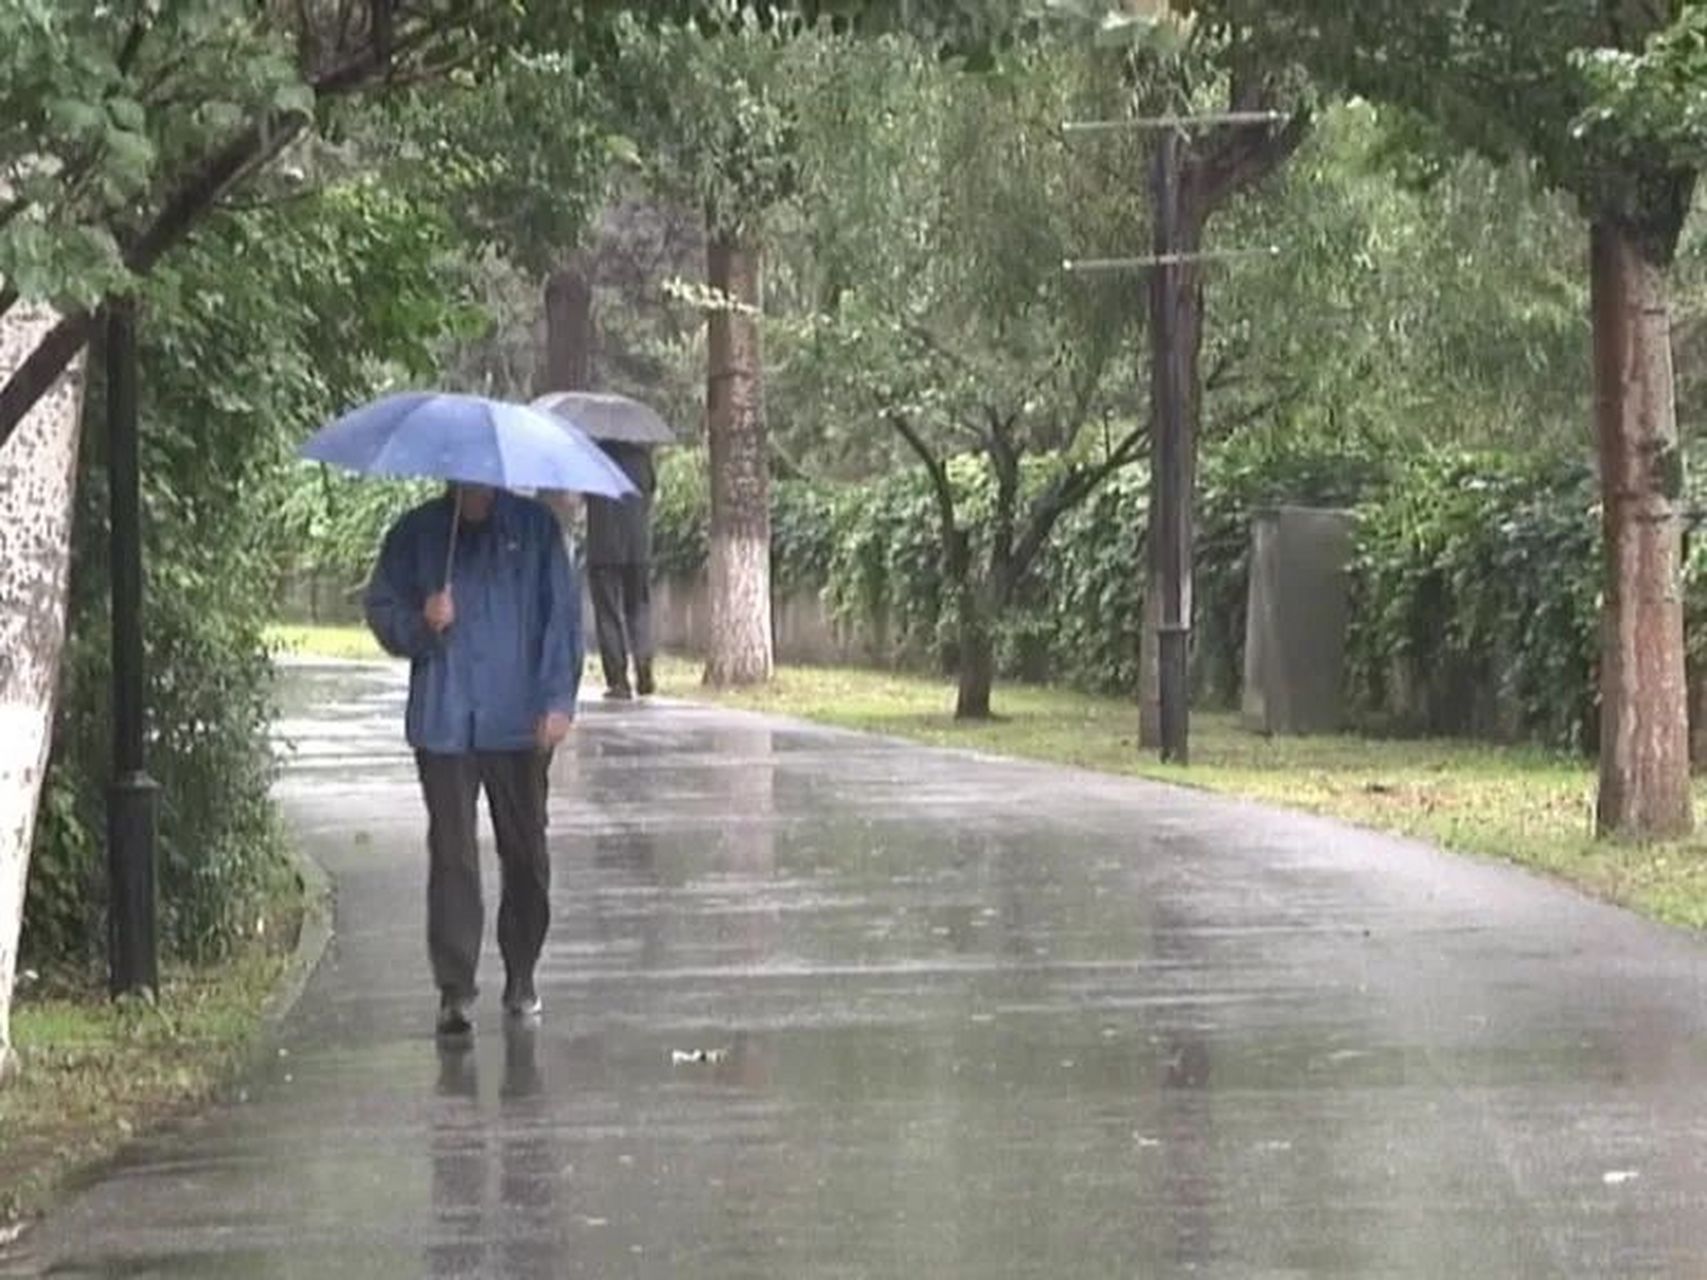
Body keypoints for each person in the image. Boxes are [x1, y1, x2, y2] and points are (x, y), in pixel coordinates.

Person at [365, 483, 581, 1038]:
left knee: (526, 852)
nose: (474, 488)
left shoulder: (534, 531)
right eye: (463, 478)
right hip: (445, 719)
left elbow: (562, 619)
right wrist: (422, 621)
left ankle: (522, 972)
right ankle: (455, 989)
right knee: (453, 855)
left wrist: (558, 700)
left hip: (518, 721)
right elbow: (381, 605)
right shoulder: (419, 533)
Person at [584, 440, 656, 699]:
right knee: (639, 608)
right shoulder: (642, 455)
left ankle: (618, 681)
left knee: (608, 614)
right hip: (638, 546)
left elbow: (584, 494)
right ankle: (644, 665)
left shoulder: (594, 455)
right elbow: (650, 492)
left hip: (603, 546)